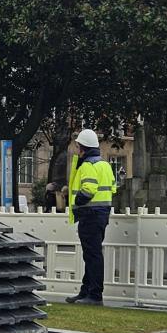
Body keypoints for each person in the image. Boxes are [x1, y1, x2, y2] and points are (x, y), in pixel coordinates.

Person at [65, 129, 116, 305]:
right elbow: (113, 188)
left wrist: (78, 200)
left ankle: (94, 295)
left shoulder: (87, 165)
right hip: (102, 214)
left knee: (92, 256)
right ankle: (86, 292)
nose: (76, 149)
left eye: (78, 146)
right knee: (92, 254)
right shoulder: (105, 164)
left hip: (90, 214)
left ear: (83, 148)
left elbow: (88, 189)